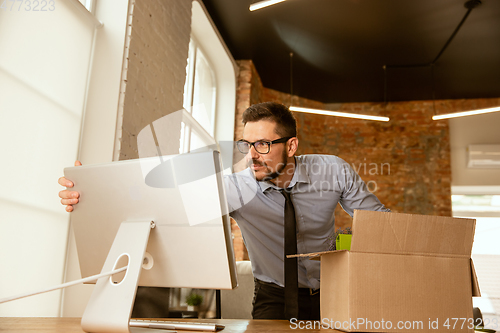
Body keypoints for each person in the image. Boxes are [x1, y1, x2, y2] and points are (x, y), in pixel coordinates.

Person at [59, 101, 389, 321]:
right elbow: (159, 205)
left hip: (335, 292)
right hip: (273, 297)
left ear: (291, 146)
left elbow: (379, 224)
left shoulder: (332, 171)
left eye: (263, 144)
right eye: (246, 145)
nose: (252, 155)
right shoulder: (236, 188)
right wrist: (91, 194)